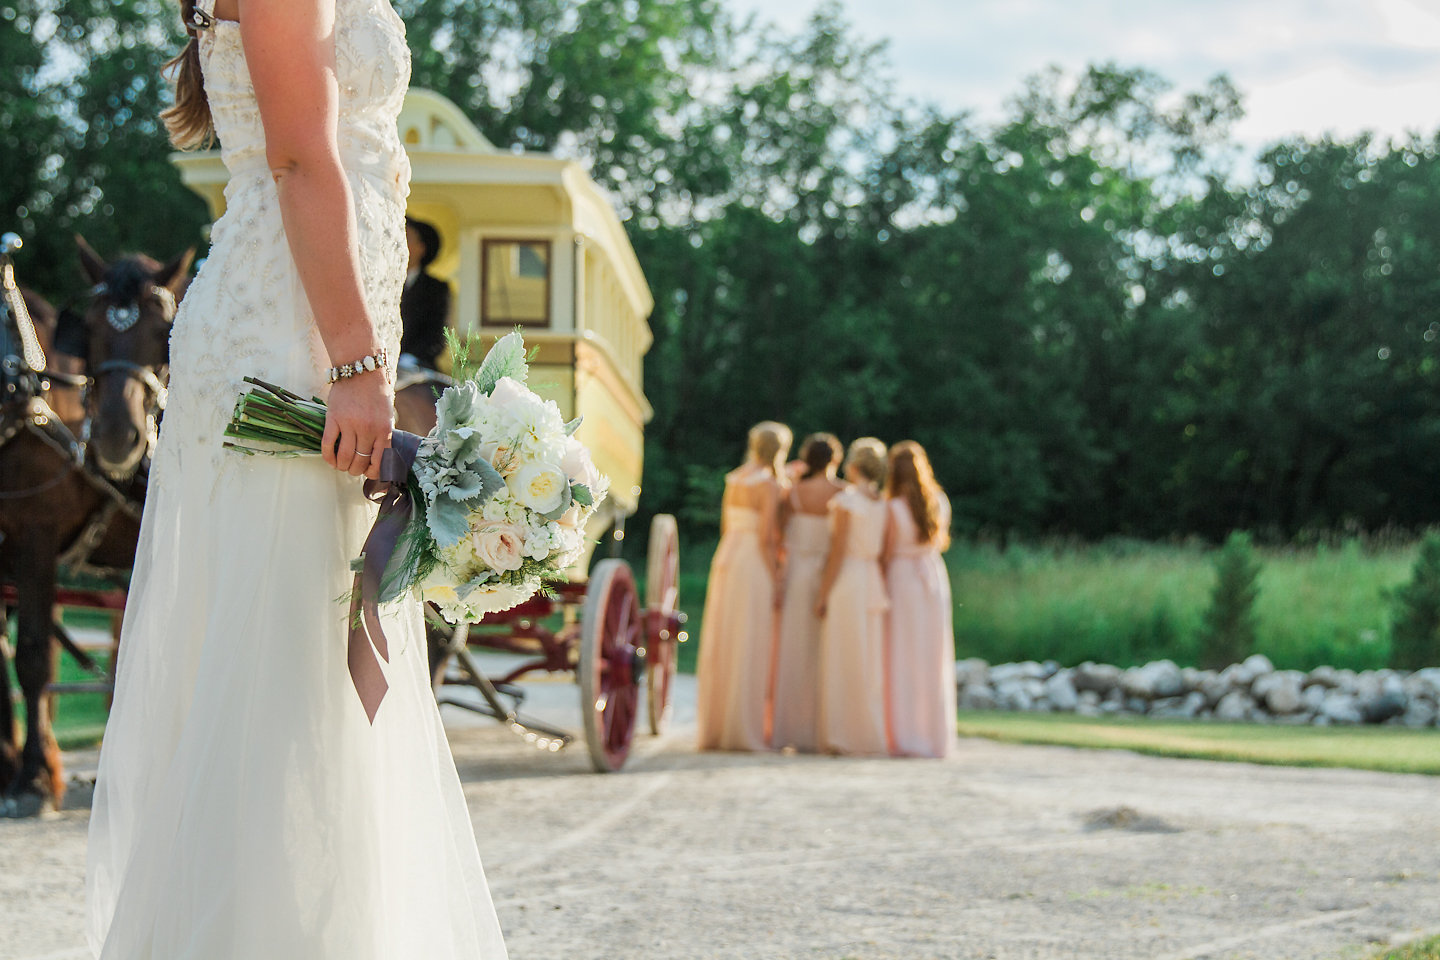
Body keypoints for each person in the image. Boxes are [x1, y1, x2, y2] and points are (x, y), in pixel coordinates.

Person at [84, 0, 508, 956]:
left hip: (309, 316)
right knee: (283, 647)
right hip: (292, 336)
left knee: (310, 649)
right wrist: (358, 366)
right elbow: (300, 159)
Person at [696, 421, 792, 752]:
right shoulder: (767, 484)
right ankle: (745, 728)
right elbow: (768, 538)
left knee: (726, 637)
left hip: (728, 556)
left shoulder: (734, 477)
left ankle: (720, 726)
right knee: (751, 639)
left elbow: (726, 525)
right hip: (752, 561)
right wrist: (777, 577)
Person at [815, 437, 891, 756]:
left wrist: (822, 593)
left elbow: (837, 552)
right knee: (866, 659)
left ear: (855, 466)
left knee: (841, 656)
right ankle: (866, 733)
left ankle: (840, 735)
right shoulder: (882, 504)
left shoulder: (847, 502)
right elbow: (883, 552)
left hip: (848, 580)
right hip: (872, 580)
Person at [772, 432, 844, 752]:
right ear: (835, 459)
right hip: (832, 575)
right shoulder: (843, 494)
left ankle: (790, 729)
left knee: (794, 652)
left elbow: (780, 536)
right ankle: (822, 729)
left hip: (797, 574)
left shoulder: (794, 493)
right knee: (826, 654)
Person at [883, 441, 956, 758]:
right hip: (932, 578)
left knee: (900, 656)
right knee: (931, 656)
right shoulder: (938, 501)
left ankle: (904, 733)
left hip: (902, 579)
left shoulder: (891, 508)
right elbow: (939, 543)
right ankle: (932, 735)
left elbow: (884, 553)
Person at [399, 216, 450, 371]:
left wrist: (410, 358)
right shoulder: (380, 281)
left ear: (421, 248)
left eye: (406, 238)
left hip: (419, 367)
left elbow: (438, 335)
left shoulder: (436, 288)